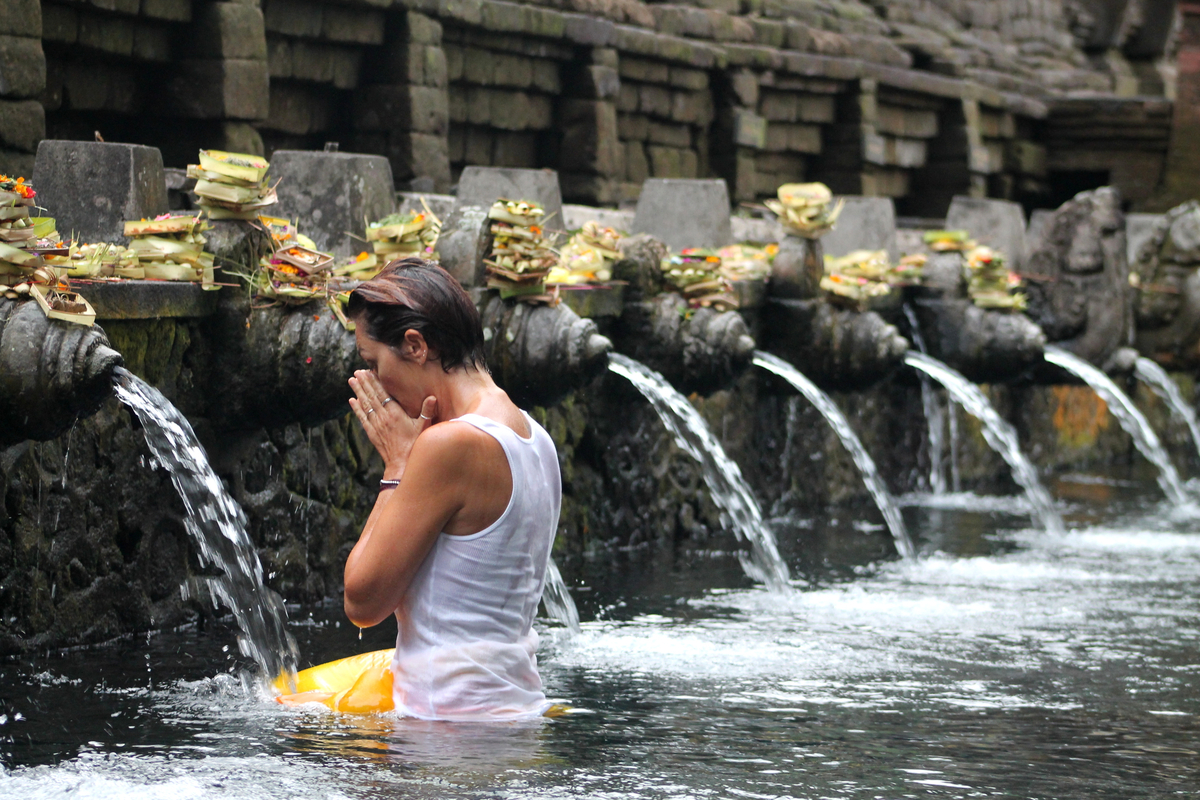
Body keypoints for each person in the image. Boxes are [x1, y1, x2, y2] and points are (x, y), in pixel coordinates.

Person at [340, 256, 562, 721]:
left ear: (416, 345)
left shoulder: (450, 445)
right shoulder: (536, 439)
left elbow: (363, 602)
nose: (378, 385)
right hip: (514, 718)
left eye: (374, 363)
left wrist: (397, 465)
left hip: (446, 733)